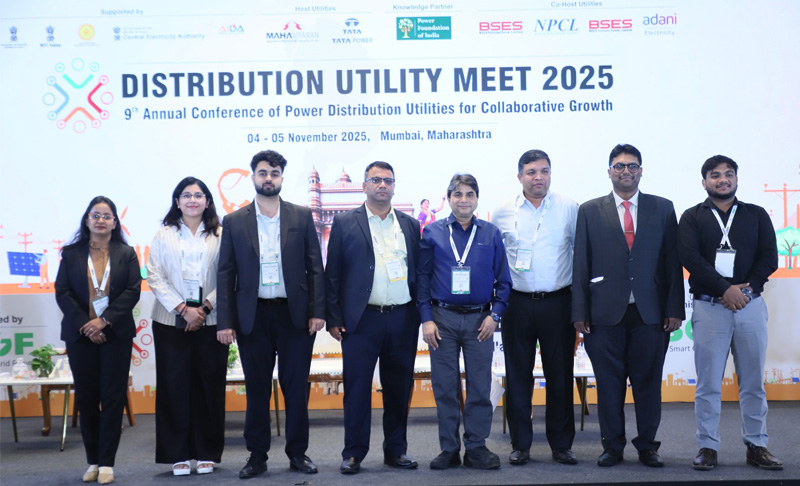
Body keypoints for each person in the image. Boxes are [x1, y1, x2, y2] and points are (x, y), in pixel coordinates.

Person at [572, 144, 684, 468]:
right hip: (603, 314)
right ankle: (612, 447)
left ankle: (648, 446)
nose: (626, 171)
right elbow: (581, 263)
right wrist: (580, 312)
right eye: (619, 166)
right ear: (609, 171)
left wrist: (674, 308)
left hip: (651, 313)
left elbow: (672, 262)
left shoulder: (662, 208)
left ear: (641, 171)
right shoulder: (589, 210)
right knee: (609, 386)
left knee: (648, 385)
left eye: (632, 166)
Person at [216, 150, 326, 479]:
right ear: (253, 177)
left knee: (296, 388)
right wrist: (226, 321)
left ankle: (298, 453)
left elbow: (315, 268)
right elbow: (226, 274)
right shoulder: (234, 221)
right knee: (257, 389)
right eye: (263, 172)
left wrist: (317, 311)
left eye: (274, 173)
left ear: (281, 178)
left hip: (295, 316)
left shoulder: (301, 216)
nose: (269, 178)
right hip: (253, 317)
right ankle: (257, 456)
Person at [678, 155, 782, 471]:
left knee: (753, 382)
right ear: (704, 182)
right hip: (710, 307)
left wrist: (744, 292)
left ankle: (757, 445)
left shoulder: (756, 214)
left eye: (728, 174)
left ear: (736, 179)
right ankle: (707, 447)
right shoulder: (692, 217)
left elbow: (770, 258)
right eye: (715, 175)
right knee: (708, 384)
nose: (723, 179)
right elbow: (691, 259)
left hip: (750, 306)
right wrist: (726, 290)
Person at [325, 161, 421, 475]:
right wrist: (333, 317)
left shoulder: (409, 224)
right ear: (365, 185)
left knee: (399, 388)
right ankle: (354, 453)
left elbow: (418, 272)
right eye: (376, 180)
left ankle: (396, 451)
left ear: (394, 186)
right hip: (361, 320)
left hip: (402, 318)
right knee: (356, 389)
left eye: (388, 181)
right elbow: (332, 274)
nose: (382, 185)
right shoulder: (345, 222)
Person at [491, 150, 579, 465]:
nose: (538, 177)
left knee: (560, 375)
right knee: (517, 376)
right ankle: (521, 444)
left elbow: (580, 255)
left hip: (559, 302)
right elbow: (495, 260)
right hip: (517, 303)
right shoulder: (502, 212)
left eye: (544, 171)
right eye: (531, 172)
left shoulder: (569, 209)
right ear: (520, 177)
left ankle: (561, 444)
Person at [418, 174, 512, 470]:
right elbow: (422, 279)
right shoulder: (432, 232)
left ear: (477, 199)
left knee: (480, 387)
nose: (463, 200)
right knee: (445, 387)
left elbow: (504, 281)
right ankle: (449, 449)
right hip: (441, 321)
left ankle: (476, 447)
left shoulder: (491, 233)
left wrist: (495, 316)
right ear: (448, 199)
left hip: (480, 322)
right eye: (457, 194)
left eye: (470, 194)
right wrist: (426, 319)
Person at [55, 196, 141, 485]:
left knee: (113, 398)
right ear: (87, 220)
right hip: (80, 336)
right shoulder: (71, 254)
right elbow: (62, 292)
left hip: (115, 334)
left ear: (115, 222)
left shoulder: (127, 253)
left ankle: (107, 463)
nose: (101, 220)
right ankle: (93, 460)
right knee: (87, 398)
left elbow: (132, 291)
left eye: (106, 216)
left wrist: (103, 321)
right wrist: (86, 325)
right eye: (96, 215)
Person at [147, 177, 227, 475]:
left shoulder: (221, 235)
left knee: (210, 385)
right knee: (174, 386)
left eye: (198, 195)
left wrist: (204, 308)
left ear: (208, 201)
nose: (192, 200)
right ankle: (177, 453)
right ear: (177, 201)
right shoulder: (163, 234)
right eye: (186, 195)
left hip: (211, 320)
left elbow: (228, 275)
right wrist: (183, 309)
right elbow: (154, 275)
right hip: (170, 321)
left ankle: (206, 452)